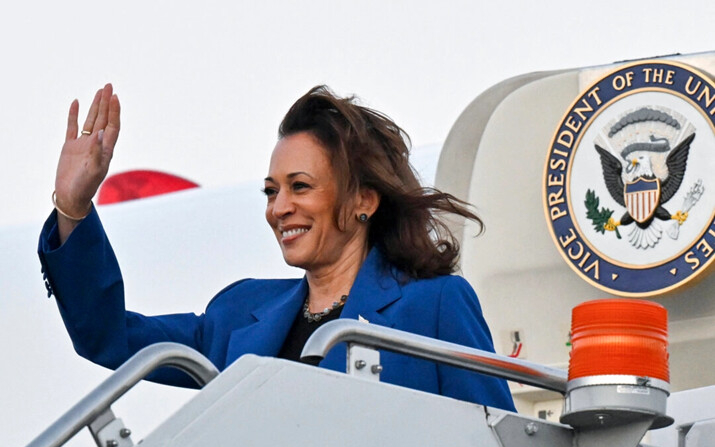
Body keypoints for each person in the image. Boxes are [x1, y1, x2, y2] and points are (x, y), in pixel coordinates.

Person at [38, 83, 515, 411]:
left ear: (363, 200)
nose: (279, 208)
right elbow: (107, 337)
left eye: (300, 187)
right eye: (271, 191)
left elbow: (495, 432)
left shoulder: (435, 305)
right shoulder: (239, 313)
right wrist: (73, 207)